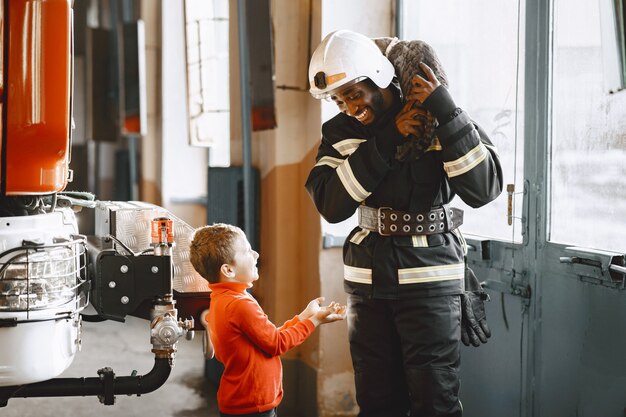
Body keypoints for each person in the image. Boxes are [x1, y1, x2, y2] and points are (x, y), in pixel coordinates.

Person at [305, 30, 503, 417]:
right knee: (378, 403)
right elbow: (331, 203)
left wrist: (446, 110)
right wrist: (386, 140)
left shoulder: (440, 119)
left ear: (380, 77)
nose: (348, 107)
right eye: (338, 99)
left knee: (435, 403)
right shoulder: (342, 132)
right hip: (368, 284)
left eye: (354, 93)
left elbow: (484, 189)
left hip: (431, 283)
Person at [189, 223, 346, 417]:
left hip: (241, 402)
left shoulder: (223, 299)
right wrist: (314, 321)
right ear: (228, 270)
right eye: (247, 251)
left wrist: (305, 316)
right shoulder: (240, 305)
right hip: (253, 405)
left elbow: (269, 338)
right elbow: (277, 343)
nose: (255, 254)